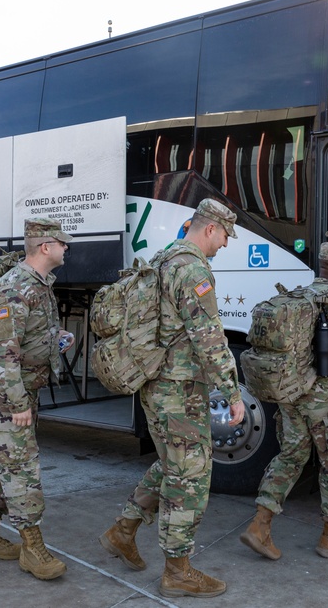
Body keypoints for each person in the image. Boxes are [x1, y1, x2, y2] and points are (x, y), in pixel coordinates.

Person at [99, 198, 245, 599]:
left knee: (171, 464)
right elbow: (210, 338)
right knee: (191, 476)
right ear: (210, 228)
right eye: (225, 236)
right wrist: (232, 393)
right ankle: (177, 569)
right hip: (179, 391)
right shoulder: (192, 267)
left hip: (157, 384)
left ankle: (123, 531)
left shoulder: (164, 259)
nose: (225, 245)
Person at [239, 241, 328, 560]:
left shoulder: (300, 297)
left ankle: (260, 525)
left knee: (291, 456)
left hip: (290, 391)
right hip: (326, 400)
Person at [0, 218, 74, 581]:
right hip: (6, 393)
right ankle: (32, 547)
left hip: (22, 388)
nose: (66, 248)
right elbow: (0, 353)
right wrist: (17, 405)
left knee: (1, 463)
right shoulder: (16, 286)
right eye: (63, 243)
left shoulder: (38, 285)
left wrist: (54, 337)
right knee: (21, 468)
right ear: (45, 247)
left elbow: (22, 335)